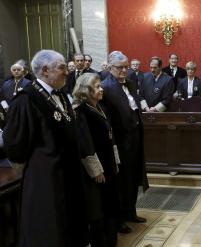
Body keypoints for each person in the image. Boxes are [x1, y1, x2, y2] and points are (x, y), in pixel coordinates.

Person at [3, 49, 87, 246]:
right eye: (62, 68)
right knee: (49, 229)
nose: (67, 71)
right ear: (46, 70)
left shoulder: (62, 96)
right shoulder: (26, 99)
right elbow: (14, 143)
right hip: (45, 180)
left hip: (68, 176)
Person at [101, 51, 148, 234]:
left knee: (133, 177)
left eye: (126, 67)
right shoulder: (106, 87)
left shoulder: (130, 82)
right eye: (120, 67)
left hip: (135, 137)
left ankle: (131, 212)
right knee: (121, 181)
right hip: (120, 141)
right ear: (111, 67)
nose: (124, 70)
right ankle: (119, 219)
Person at [73, 73, 120, 246]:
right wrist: (96, 170)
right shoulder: (80, 111)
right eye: (97, 87)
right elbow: (84, 143)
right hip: (96, 171)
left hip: (108, 164)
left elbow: (110, 135)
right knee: (97, 209)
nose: (101, 90)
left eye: (101, 86)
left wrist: (115, 161)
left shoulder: (100, 107)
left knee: (109, 205)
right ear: (86, 90)